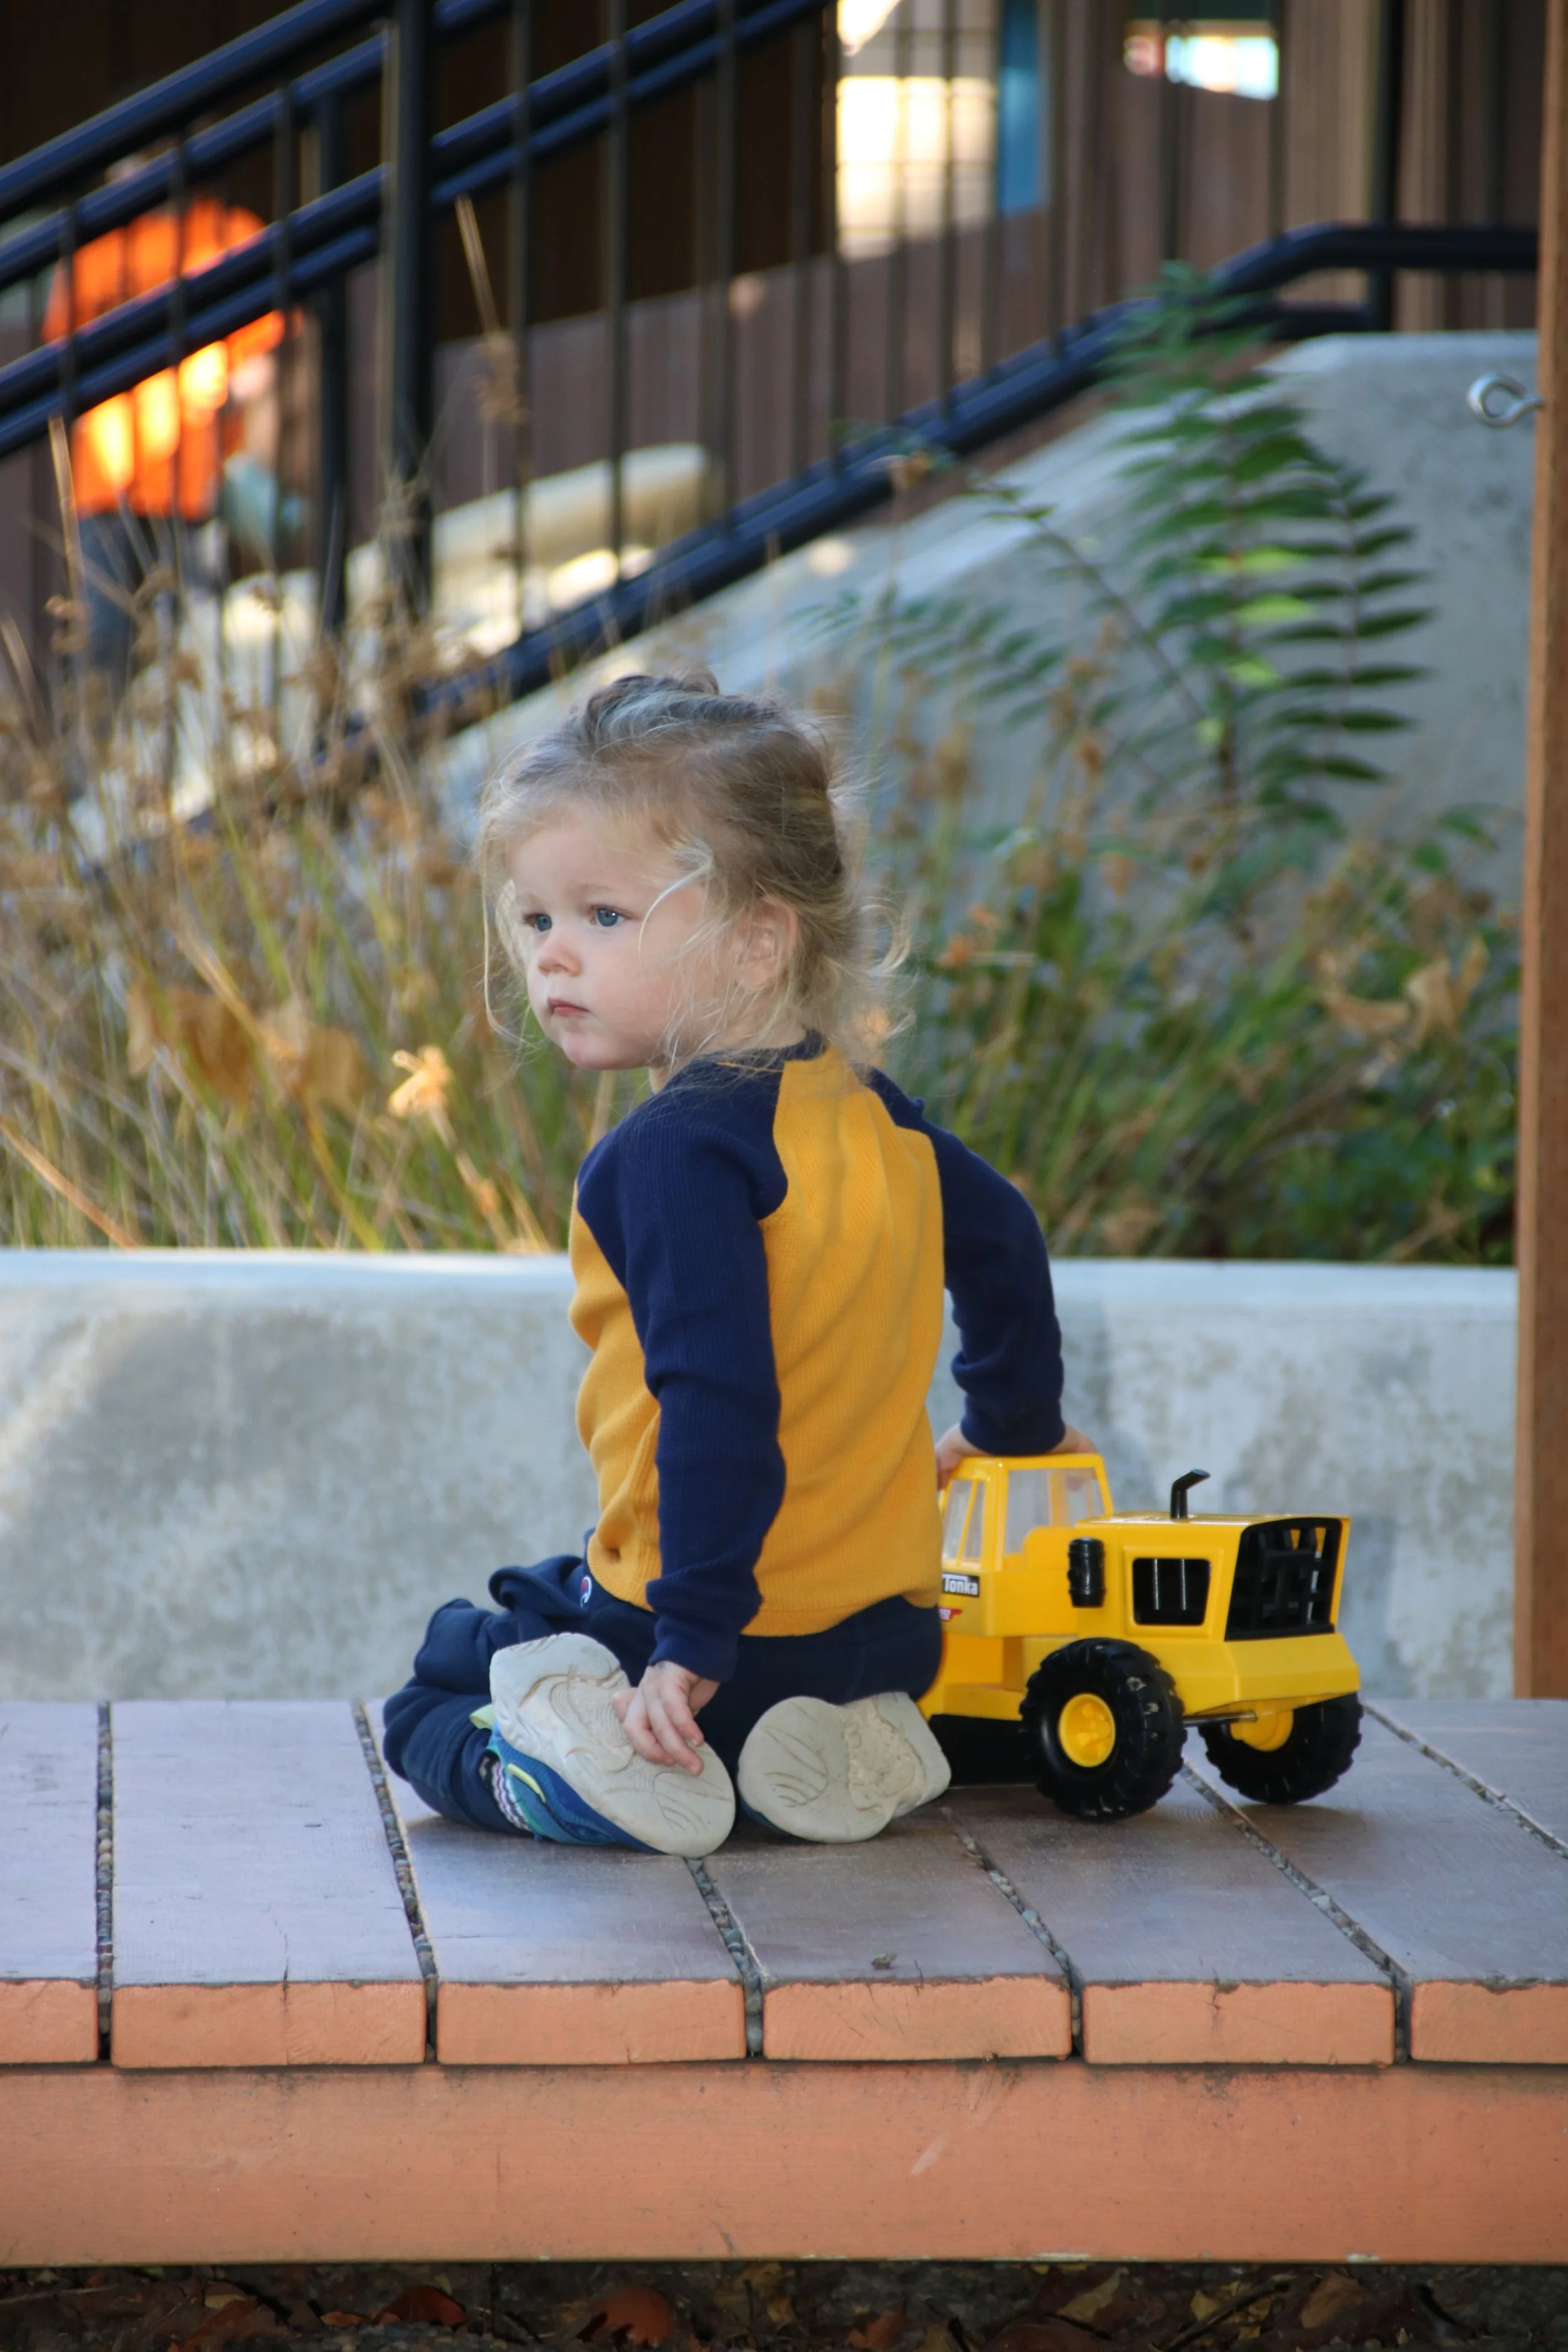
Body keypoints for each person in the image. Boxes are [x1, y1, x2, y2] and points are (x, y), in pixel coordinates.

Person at [381, 669, 1090, 1853]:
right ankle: (827, 1751)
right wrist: (1013, 1423)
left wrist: (690, 1644)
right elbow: (1008, 1241)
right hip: (886, 1635)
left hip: (721, 1635)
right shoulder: (880, 1122)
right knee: (645, 1636)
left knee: (444, 1679)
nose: (553, 958)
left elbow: (718, 1403)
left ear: (760, 939)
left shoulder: (669, 1157)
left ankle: (575, 1778)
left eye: (604, 918)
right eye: (537, 918)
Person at [43, 184, 285, 705]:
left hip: (194, 479)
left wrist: (255, 467)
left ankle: (191, 768)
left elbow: (260, 367)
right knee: (101, 639)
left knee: (197, 639)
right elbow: (60, 361)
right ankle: (88, 775)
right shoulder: (91, 250)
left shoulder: (228, 234)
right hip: (104, 480)